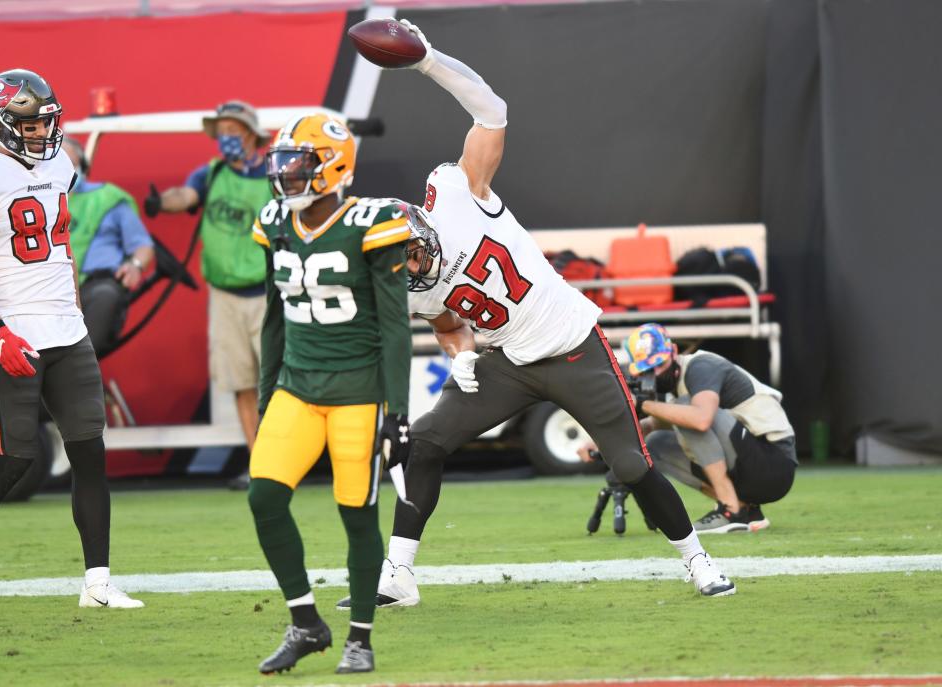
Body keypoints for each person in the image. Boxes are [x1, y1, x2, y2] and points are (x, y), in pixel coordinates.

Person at [337, 20, 736, 613]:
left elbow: (491, 110)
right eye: (399, 262)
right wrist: (463, 355)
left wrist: (428, 62)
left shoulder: (456, 194)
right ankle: (399, 574)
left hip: (573, 346)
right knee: (424, 443)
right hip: (507, 362)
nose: (412, 265)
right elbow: (447, 322)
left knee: (630, 463)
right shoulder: (407, 287)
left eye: (412, 250)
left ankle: (697, 559)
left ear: (419, 226)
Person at [248, 113, 412, 675]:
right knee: (263, 498)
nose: (286, 174)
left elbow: (394, 326)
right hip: (297, 386)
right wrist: (268, 392)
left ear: (333, 166)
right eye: (282, 162)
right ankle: (305, 623)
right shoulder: (274, 221)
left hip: (358, 393)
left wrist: (398, 413)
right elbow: (274, 316)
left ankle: (360, 638)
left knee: (357, 515)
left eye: (298, 163)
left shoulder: (373, 221)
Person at [0, 68, 142, 609]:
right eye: (28, 123)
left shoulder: (59, 162)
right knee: (14, 459)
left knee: (89, 452)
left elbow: (62, 246)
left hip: (66, 330)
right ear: (1, 123)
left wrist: (71, 303)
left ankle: (98, 582)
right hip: (14, 330)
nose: (39, 133)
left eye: (44, 122)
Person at [144, 101, 271, 481]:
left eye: (233, 130)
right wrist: (161, 202)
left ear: (251, 134)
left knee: (275, 383)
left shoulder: (273, 175)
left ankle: (282, 459)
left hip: (267, 292)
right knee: (241, 382)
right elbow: (186, 196)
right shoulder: (211, 173)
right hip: (225, 295)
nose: (226, 138)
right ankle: (259, 463)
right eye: (222, 131)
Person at [583, 323, 797, 533]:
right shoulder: (674, 389)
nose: (655, 373)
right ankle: (743, 508)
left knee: (686, 410)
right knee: (655, 443)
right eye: (647, 369)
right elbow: (650, 426)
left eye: (659, 363)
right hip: (753, 469)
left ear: (674, 351)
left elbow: (700, 419)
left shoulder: (701, 366)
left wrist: (643, 404)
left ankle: (730, 510)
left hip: (775, 461)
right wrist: (601, 443)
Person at [61, 138, 154, 357]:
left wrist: (136, 265)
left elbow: (142, 245)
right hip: (51, 289)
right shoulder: (35, 198)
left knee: (106, 296)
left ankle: (81, 366)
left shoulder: (108, 198)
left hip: (95, 286)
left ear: (83, 167)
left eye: (70, 164)